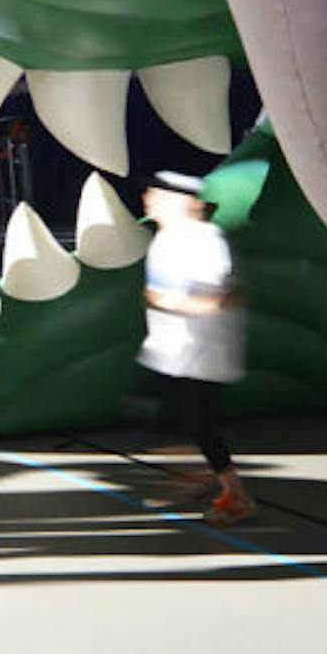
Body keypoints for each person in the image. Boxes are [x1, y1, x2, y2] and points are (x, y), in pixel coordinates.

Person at [137, 170, 256, 526]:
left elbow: (219, 297)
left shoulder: (205, 239)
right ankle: (201, 477)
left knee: (198, 424)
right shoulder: (165, 239)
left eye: (157, 195)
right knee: (165, 417)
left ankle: (237, 495)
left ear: (186, 204)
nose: (148, 199)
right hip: (172, 351)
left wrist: (169, 302)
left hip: (203, 354)